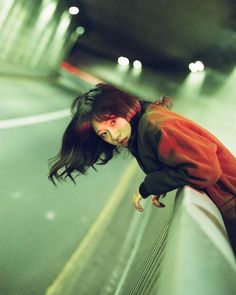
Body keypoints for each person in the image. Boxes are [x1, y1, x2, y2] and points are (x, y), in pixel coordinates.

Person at [48, 83, 236, 252]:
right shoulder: (141, 130)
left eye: (113, 122)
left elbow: (205, 170)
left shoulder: (157, 125)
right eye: (104, 134)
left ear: (124, 108)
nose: (113, 136)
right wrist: (162, 183)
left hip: (230, 199)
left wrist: (149, 186)